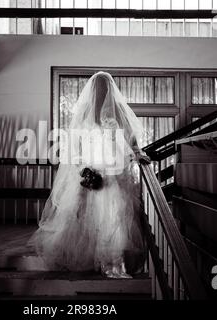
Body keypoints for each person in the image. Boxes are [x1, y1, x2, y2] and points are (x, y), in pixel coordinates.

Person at [28, 71, 150, 278]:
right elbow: (74, 150)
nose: (102, 92)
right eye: (100, 88)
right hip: (94, 172)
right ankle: (99, 262)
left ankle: (113, 264)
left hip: (113, 175)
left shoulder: (117, 111)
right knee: (90, 218)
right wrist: (85, 171)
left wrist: (138, 153)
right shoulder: (85, 114)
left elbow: (130, 137)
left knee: (113, 218)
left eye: (104, 88)